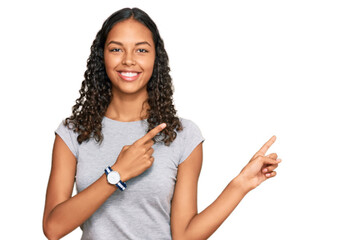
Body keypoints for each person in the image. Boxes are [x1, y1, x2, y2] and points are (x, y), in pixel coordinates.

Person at [42, 7, 282, 240]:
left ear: (156, 58)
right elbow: (53, 228)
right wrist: (117, 174)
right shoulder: (73, 133)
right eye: (116, 49)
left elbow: (184, 235)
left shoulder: (182, 135)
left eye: (141, 50)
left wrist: (240, 184)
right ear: (101, 56)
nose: (128, 60)